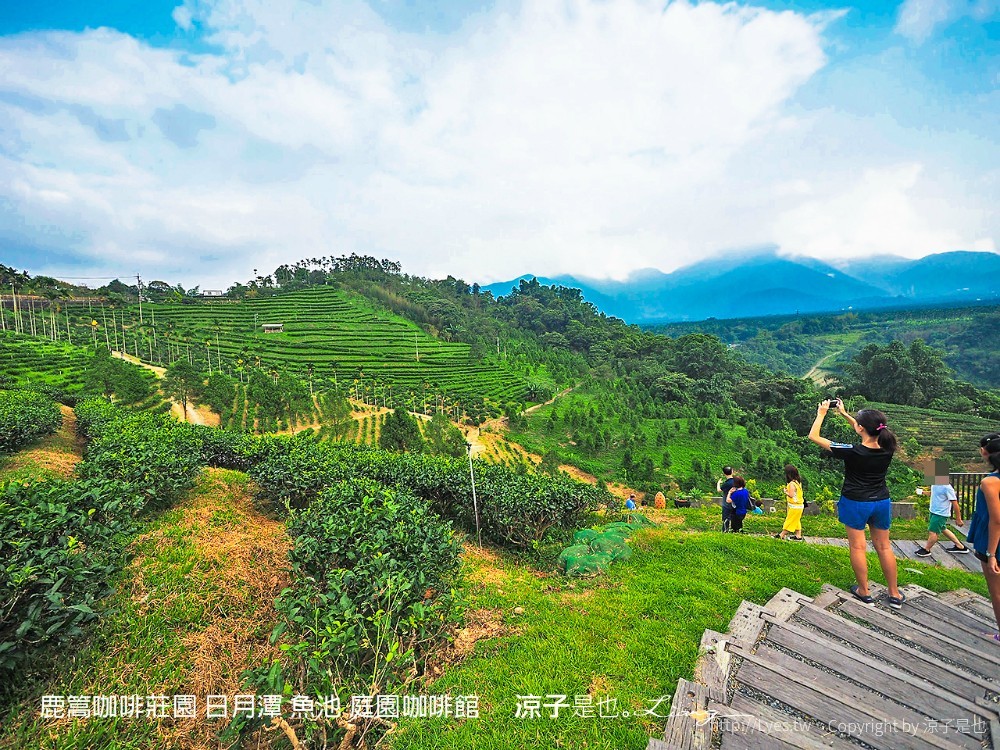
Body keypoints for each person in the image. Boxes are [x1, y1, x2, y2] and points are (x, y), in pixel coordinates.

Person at [808, 400, 904, 609]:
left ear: (862, 428)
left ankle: (864, 591)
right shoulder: (889, 446)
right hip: (881, 501)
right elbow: (866, 430)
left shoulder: (852, 451)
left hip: (856, 502)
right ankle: (895, 593)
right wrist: (844, 414)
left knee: (858, 546)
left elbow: (813, 437)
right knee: (884, 547)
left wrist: (822, 413)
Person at [966, 433, 1000, 641]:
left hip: (993, 540)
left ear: (984, 453)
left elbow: (996, 520)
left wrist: (992, 553)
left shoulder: (991, 482)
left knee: (996, 592)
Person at [915, 463, 969, 557]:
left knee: (933, 532)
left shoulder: (947, 487)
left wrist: (958, 518)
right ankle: (960, 546)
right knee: (943, 528)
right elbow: (934, 493)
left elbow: (955, 503)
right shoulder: (935, 484)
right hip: (933, 511)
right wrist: (922, 492)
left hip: (940, 514)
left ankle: (927, 550)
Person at [776, 464, 805, 541]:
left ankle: (781, 535)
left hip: (794, 506)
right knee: (796, 520)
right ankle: (798, 536)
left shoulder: (791, 484)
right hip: (799, 506)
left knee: (790, 521)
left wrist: (785, 492)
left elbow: (791, 495)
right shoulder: (797, 482)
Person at [717, 466, 735, 532]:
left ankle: (725, 532)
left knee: (726, 519)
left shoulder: (726, 483)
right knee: (735, 519)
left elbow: (719, 490)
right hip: (736, 503)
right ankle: (735, 531)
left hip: (726, 504)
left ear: (724, 474)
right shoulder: (736, 481)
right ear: (732, 471)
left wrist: (718, 483)